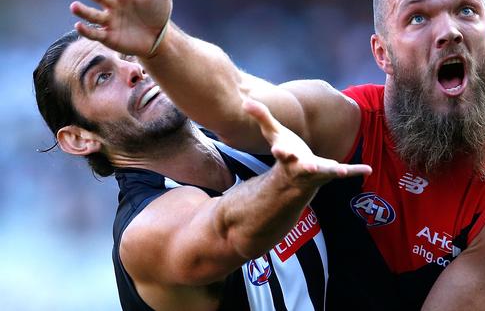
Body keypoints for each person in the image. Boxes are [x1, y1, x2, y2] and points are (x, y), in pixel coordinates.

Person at [70, 0, 485, 309]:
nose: (450, 30)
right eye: (417, 18)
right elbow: (235, 99)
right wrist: (159, 43)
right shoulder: (338, 122)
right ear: (381, 54)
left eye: (466, 10)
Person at [33, 30, 371, 309]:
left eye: (131, 52)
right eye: (103, 77)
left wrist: (158, 32)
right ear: (78, 138)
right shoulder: (142, 232)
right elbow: (228, 231)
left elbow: (324, 107)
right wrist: (291, 179)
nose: (134, 70)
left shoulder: (249, 139)